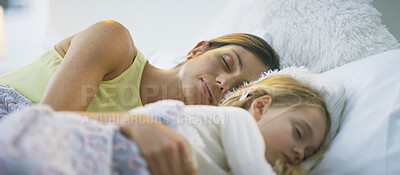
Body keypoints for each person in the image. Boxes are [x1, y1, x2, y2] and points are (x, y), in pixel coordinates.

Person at [0, 74, 331, 175]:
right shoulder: (237, 121)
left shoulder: (229, 170)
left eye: (309, 154)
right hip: (102, 146)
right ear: (260, 106)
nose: (301, 153)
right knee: (25, 165)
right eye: (299, 133)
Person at [0, 20, 279, 114]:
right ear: (198, 49)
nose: (224, 83)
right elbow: (45, 126)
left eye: (239, 88)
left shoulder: (180, 135)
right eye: (227, 62)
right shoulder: (113, 40)